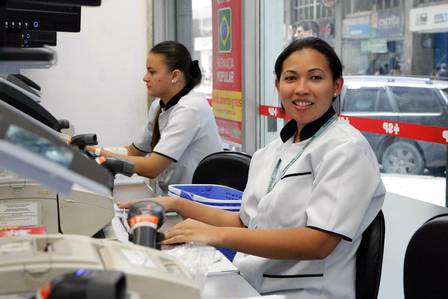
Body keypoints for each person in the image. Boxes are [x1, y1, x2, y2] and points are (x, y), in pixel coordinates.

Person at [120, 37, 385, 298]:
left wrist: (215, 235)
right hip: (250, 283)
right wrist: (173, 204)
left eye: (315, 78)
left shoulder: (346, 149)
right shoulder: (270, 152)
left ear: (336, 85)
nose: (301, 89)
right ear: (278, 85)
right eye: (291, 78)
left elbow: (319, 242)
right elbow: (245, 223)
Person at [90, 41, 222, 194]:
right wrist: (92, 151)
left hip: (199, 203)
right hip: (174, 199)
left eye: (152, 72)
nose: (145, 78)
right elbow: (133, 152)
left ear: (175, 76)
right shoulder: (158, 106)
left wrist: (97, 152)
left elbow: (152, 167)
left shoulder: (190, 109)